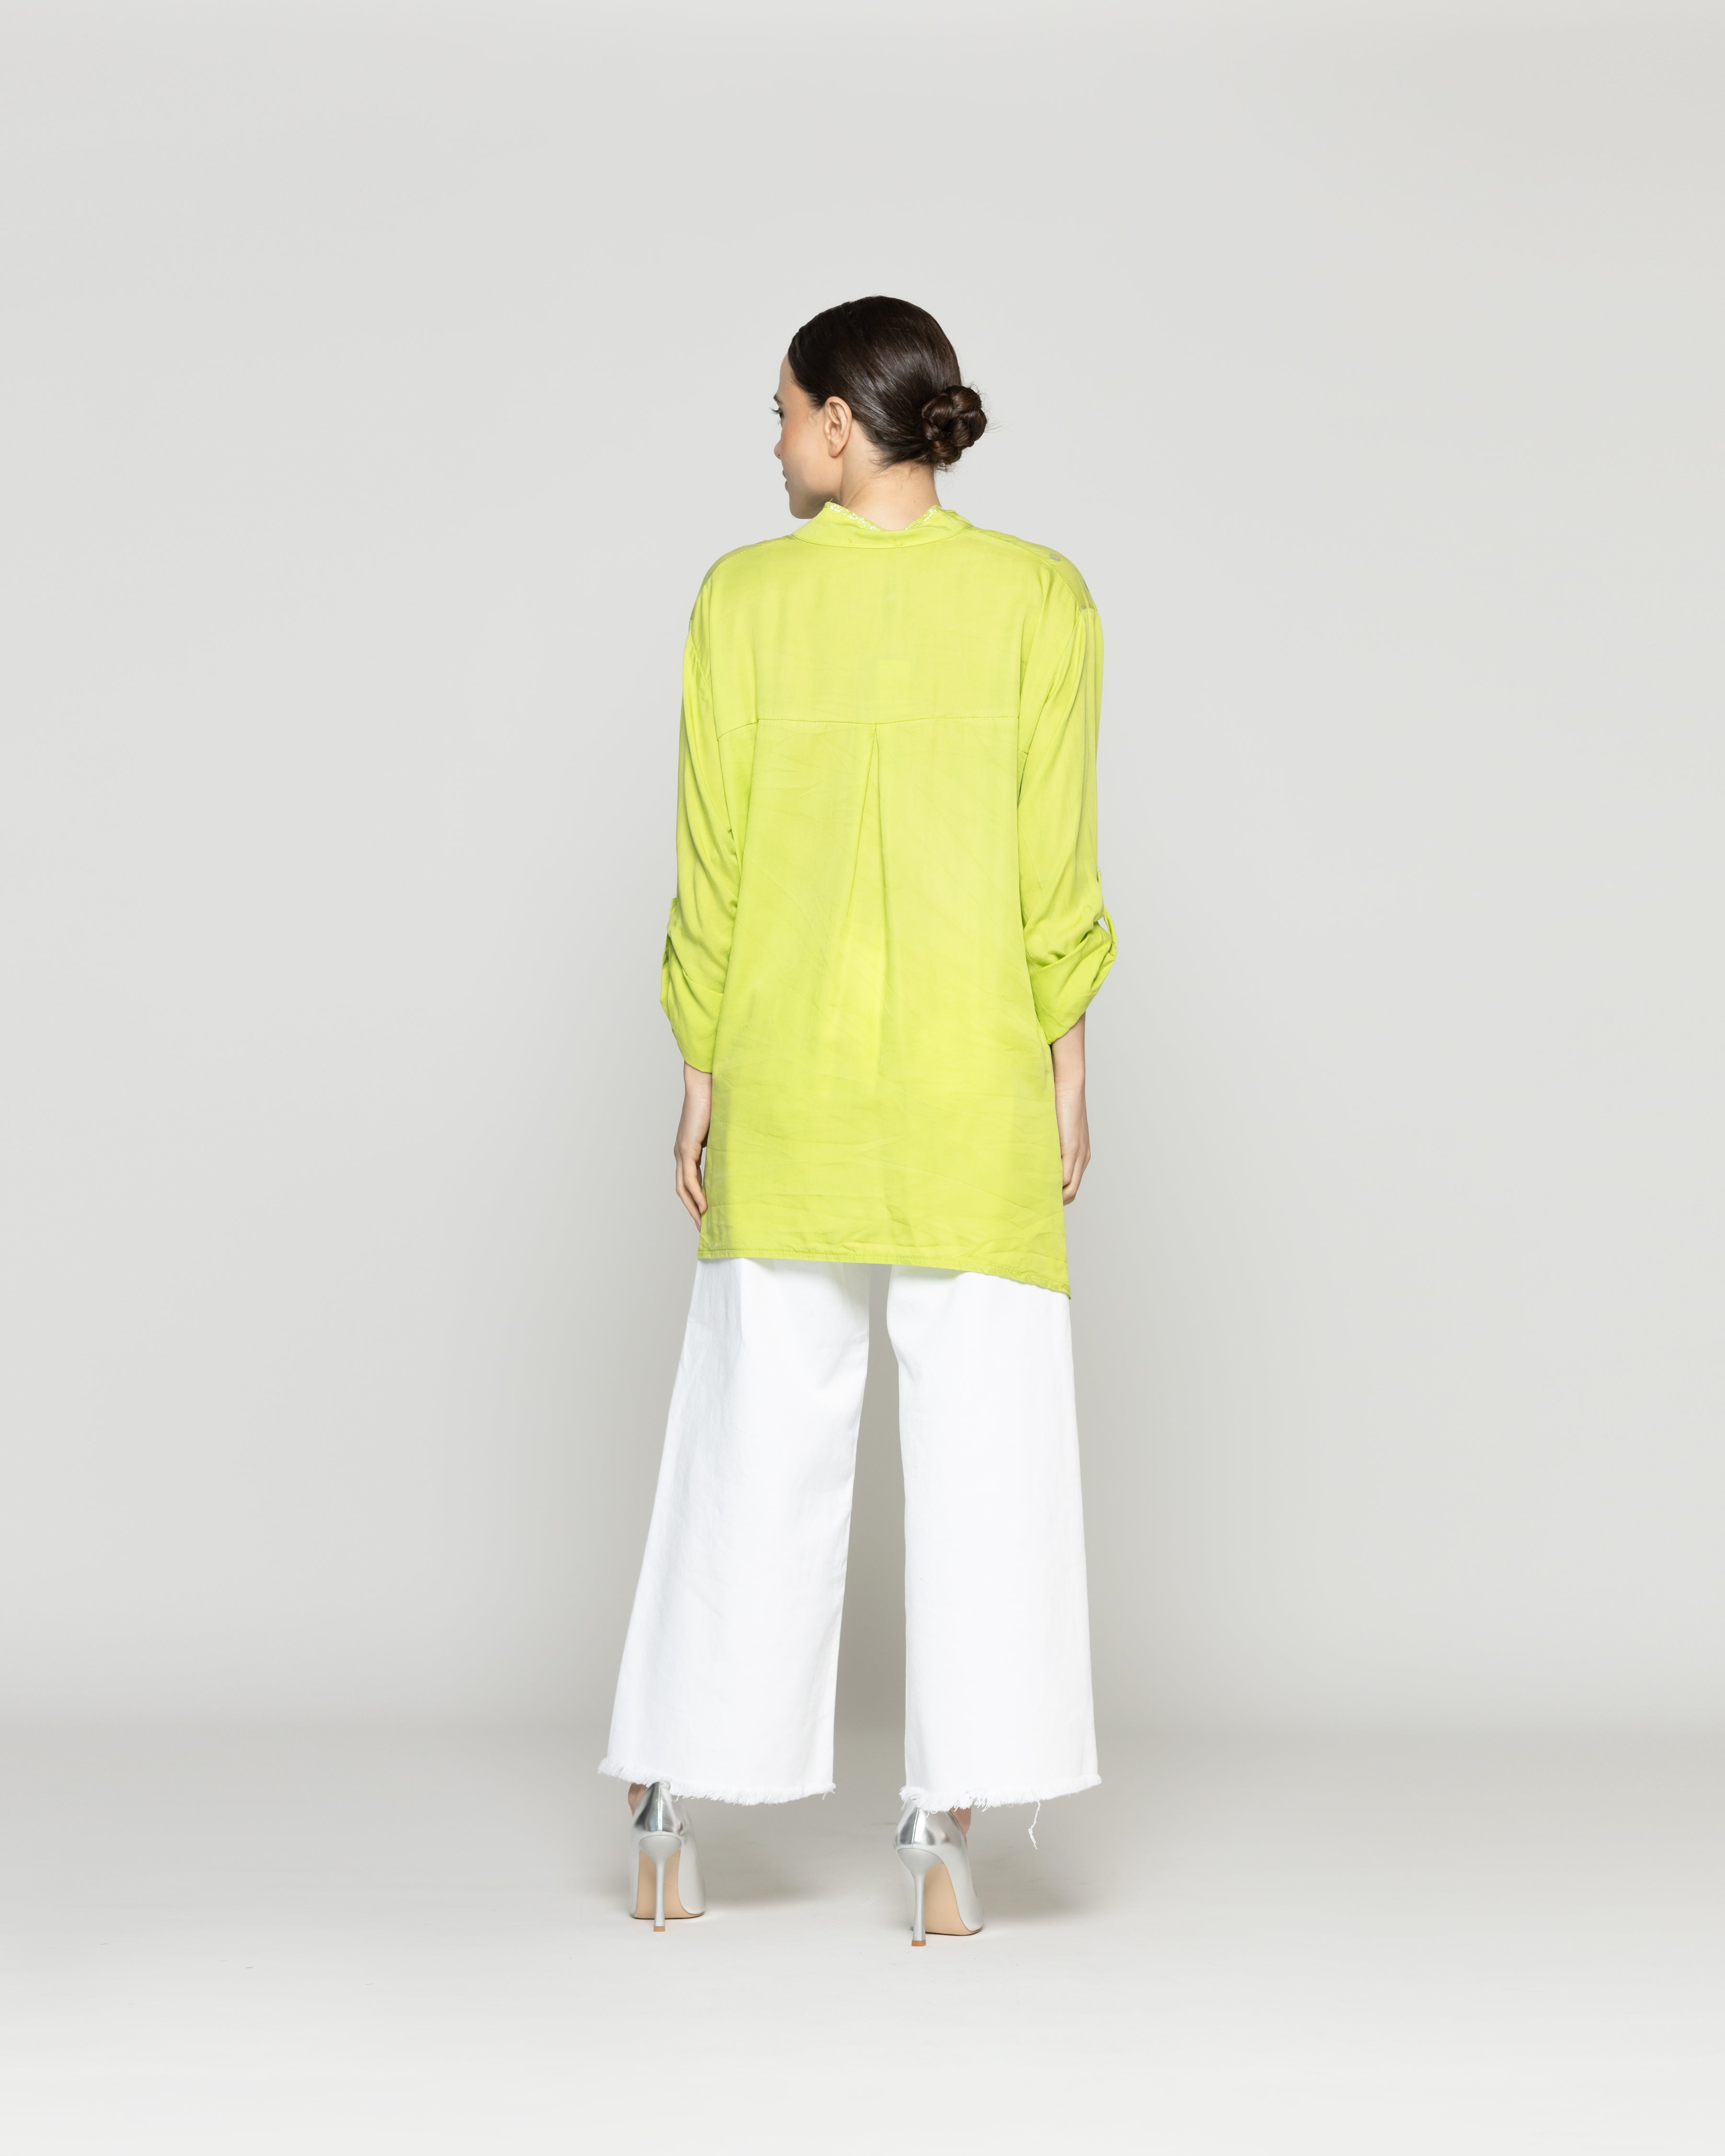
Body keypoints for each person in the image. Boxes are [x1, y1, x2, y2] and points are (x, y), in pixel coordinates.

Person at [600, 295, 1115, 1944]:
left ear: (840, 424)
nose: (772, 444)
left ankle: (669, 1804)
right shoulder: (1040, 598)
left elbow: (713, 861)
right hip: (970, 1081)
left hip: (792, 1075)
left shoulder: (742, 602)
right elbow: (1054, 867)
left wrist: (700, 1066)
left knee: (750, 1435)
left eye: (780, 414)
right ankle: (946, 1827)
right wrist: (1067, 1060)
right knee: (992, 1454)